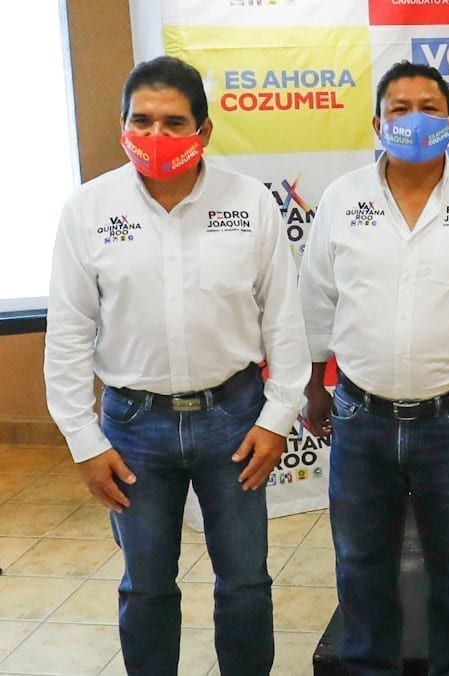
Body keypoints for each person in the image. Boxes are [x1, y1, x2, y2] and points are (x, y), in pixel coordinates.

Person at [43, 55, 308, 674]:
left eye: (173, 123)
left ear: (203, 131)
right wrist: (83, 441)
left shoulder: (251, 203)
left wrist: (277, 420)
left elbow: (284, 320)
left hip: (233, 420)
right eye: (142, 121)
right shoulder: (88, 210)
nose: (155, 135)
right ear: (123, 126)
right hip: (134, 428)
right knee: (146, 587)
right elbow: (70, 333)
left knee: (245, 581)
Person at [299, 60, 449, 674]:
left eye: (429, 107)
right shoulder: (342, 198)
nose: (414, 119)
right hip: (359, 417)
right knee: (361, 565)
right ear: (376, 123)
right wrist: (315, 388)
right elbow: (317, 303)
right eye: (399, 109)